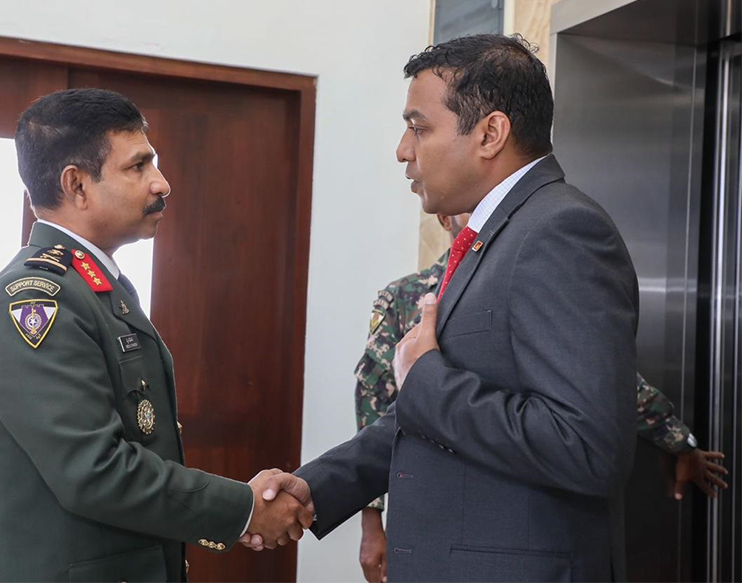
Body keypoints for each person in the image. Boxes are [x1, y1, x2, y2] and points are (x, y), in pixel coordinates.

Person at [254, 34, 640, 581]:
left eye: (419, 127)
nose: (403, 150)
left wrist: (426, 378)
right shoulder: (495, 234)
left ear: (490, 133)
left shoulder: (560, 232)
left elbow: (585, 448)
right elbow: (428, 415)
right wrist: (319, 485)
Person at [0, 88, 311, 582]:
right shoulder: (36, 299)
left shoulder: (95, 287)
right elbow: (94, 470)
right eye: (138, 167)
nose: (162, 184)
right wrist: (243, 508)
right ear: (77, 185)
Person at [355, 213, 729, 583]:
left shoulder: (521, 277)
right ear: (443, 219)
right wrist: (371, 523)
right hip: (432, 504)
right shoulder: (405, 299)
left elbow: (609, 386)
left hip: (516, 507)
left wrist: (681, 442)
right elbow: (375, 404)